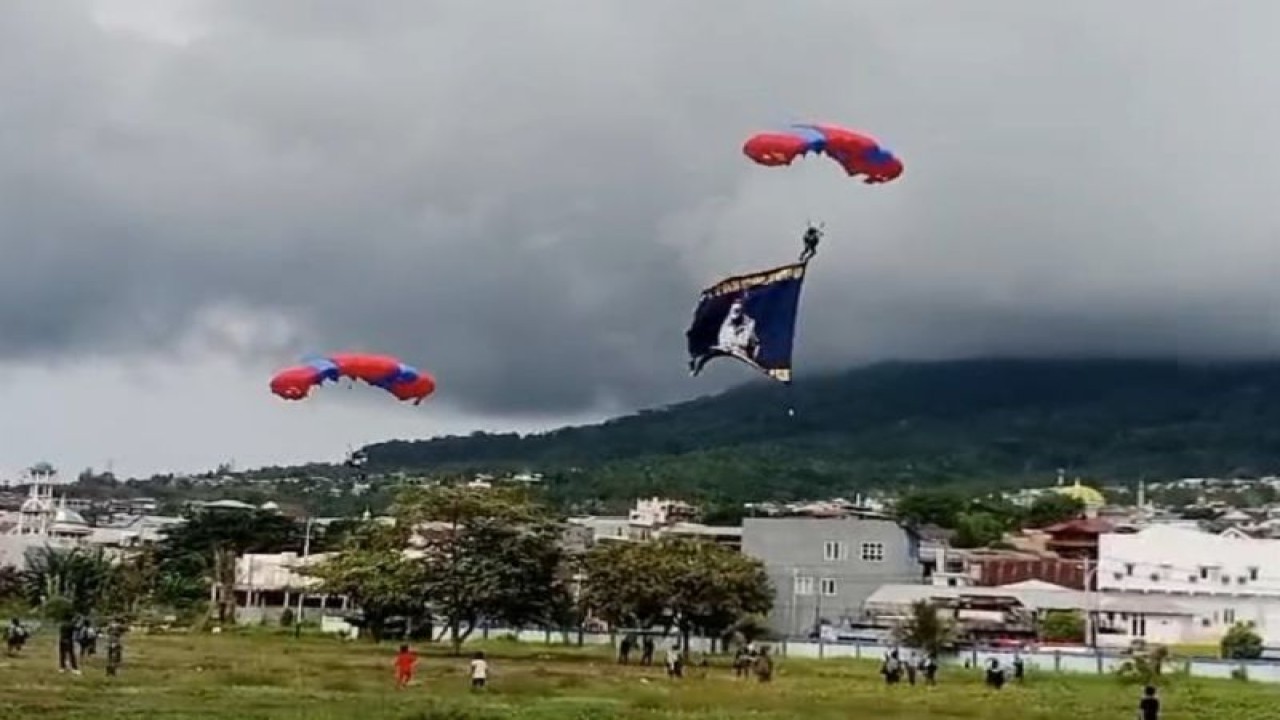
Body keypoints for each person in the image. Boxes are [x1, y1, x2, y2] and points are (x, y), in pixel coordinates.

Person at [715, 296, 759, 361]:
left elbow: (756, 345)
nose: (734, 314)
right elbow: (721, 344)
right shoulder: (725, 325)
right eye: (733, 311)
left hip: (741, 360)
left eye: (737, 311)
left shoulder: (750, 326)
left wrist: (752, 360)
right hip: (726, 360)